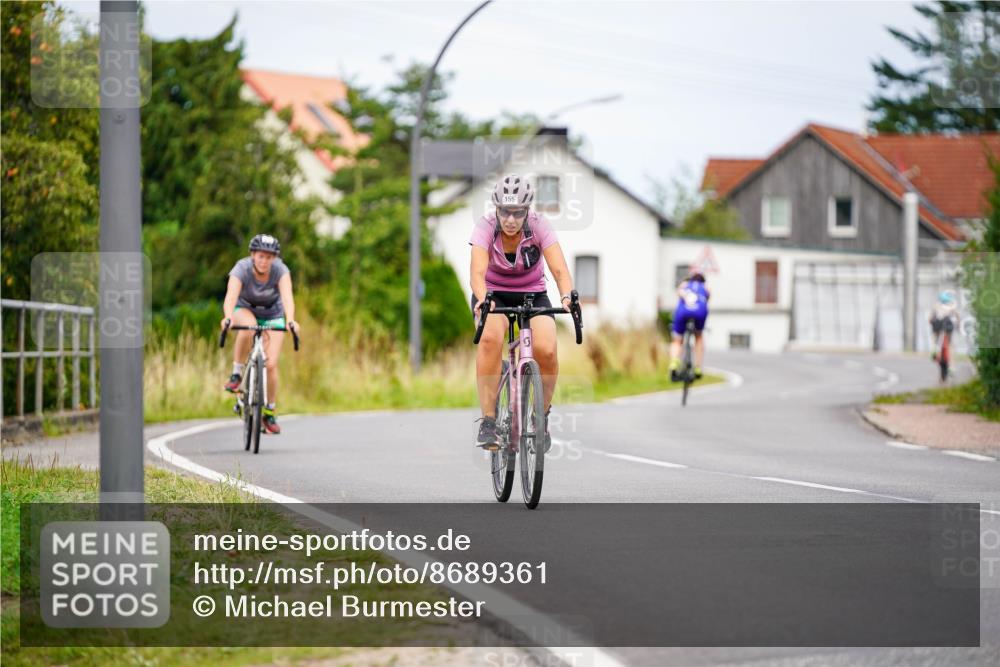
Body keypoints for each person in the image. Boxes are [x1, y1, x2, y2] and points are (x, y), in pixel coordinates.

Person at [470, 174, 575, 451]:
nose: (510, 219)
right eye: (505, 211)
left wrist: (566, 296)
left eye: (517, 213)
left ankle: (540, 416)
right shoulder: (485, 227)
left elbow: (560, 270)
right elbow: (477, 274)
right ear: (496, 209)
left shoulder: (540, 226)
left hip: (532, 294)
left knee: (547, 350)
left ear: (527, 210)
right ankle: (489, 422)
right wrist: (483, 299)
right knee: (491, 339)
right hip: (492, 294)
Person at [220, 234, 299, 435]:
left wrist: (290, 320)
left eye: (269, 257)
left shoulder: (281, 270)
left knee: (271, 364)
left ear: (275, 258)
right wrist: (228, 317)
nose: (264, 261)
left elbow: (288, 297)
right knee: (250, 326)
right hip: (245, 310)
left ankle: (269, 412)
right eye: (261, 256)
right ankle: (237, 373)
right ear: (253, 255)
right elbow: (230, 296)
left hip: (273, 313)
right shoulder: (242, 268)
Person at [668, 271, 710, 381]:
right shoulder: (705, 287)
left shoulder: (685, 284)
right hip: (700, 312)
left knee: (677, 340)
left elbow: (679, 293)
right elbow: (707, 299)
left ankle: (674, 363)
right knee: (699, 336)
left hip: (683, 312)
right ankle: (698, 368)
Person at [929, 290, 959, 361]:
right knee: (950, 344)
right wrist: (958, 324)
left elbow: (930, 318)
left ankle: (934, 350)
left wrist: (931, 323)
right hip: (948, 325)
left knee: (935, 339)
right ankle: (951, 364)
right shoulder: (951, 305)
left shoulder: (936, 305)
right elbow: (957, 315)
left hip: (938, 325)